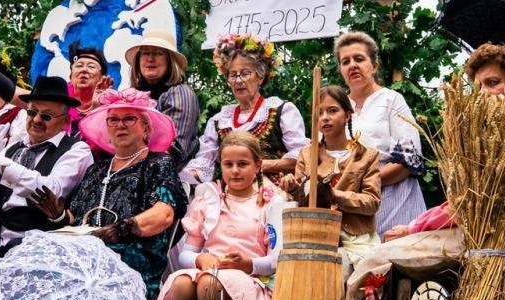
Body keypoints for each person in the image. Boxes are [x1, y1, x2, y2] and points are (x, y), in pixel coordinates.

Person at [383, 42, 505, 240]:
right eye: (478, 87)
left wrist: (413, 227)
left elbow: (470, 200)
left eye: (493, 83)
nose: (483, 94)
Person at [58, 87, 186, 300]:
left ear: (146, 128)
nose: (120, 125)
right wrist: (56, 215)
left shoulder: (158, 163)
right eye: (113, 120)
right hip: (84, 252)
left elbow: (163, 214)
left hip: (130, 257)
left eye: (129, 118)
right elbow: (75, 218)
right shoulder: (97, 169)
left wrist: (120, 229)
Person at [160, 131, 287, 300]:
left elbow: (276, 261)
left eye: (243, 164)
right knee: (181, 283)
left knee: (208, 283)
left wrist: (248, 263)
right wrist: (200, 260)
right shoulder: (209, 199)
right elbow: (186, 254)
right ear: (221, 165)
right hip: (212, 271)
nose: (235, 171)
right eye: (228, 164)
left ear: (258, 165)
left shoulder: (270, 203)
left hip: (252, 277)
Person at [0, 76, 93, 249]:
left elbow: (50, 190)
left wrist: (4, 165)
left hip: (40, 246)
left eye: (46, 116)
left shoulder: (76, 150)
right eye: (31, 112)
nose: (36, 120)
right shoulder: (15, 147)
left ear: (65, 121)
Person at [181, 34, 308, 185]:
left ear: (260, 77)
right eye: (233, 75)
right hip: (231, 197)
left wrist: (260, 165)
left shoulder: (281, 110)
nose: (239, 80)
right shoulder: (219, 121)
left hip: (274, 195)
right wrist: (177, 179)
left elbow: (303, 158)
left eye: (245, 73)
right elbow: (204, 163)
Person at [335, 31, 426, 235]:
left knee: (394, 260)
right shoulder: (338, 106)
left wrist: (363, 181)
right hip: (349, 202)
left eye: (359, 59)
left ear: (374, 65)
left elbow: (408, 161)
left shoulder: (391, 100)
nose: (352, 65)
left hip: (394, 196)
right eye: (345, 61)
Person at [283, 85, 382, 271]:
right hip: (316, 235)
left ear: (347, 116)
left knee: (360, 276)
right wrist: (292, 189)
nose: (325, 117)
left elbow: (372, 202)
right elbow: (299, 199)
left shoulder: (367, 155)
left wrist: (335, 195)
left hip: (357, 239)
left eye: (332, 110)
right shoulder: (307, 154)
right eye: (319, 113)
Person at [125, 29, 201, 167]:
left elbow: (174, 150)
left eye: (158, 53)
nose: (150, 58)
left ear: (170, 61)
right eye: (146, 53)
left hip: (163, 177)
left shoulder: (180, 93)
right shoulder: (132, 95)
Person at [67, 46, 113, 137]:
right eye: (79, 65)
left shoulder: (112, 109)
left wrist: (99, 110)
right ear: (71, 76)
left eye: (91, 66)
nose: (84, 70)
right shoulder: (58, 101)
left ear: (102, 77)